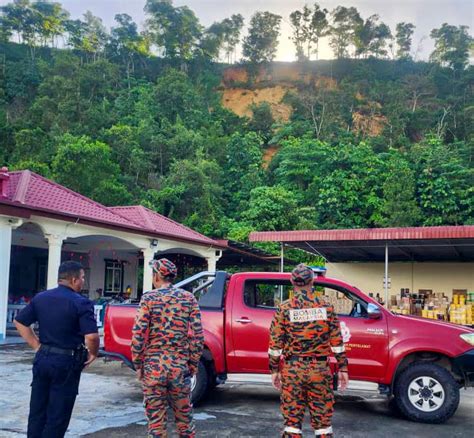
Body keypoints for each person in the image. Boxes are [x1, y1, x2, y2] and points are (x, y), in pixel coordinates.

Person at [14, 261, 99, 438]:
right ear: (74, 280)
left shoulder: (40, 298)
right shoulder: (82, 303)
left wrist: (36, 345)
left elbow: (20, 322)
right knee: (58, 415)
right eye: (83, 278)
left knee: (37, 410)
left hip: (43, 359)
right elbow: (91, 337)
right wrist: (93, 353)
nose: (83, 281)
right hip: (66, 363)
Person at [268, 264, 349, 438]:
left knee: (292, 425)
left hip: (292, 370)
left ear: (292, 281)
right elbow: (337, 342)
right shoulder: (326, 307)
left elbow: (275, 346)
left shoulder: (284, 308)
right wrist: (343, 368)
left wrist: (274, 370)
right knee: (323, 426)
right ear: (313, 281)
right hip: (319, 371)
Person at [131, 258, 204, 437]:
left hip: (153, 368)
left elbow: (138, 334)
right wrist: (193, 364)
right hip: (180, 368)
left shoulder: (148, 298)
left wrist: (138, 365)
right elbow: (197, 336)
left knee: (156, 424)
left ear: (156, 275)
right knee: (185, 422)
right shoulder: (189, 298)